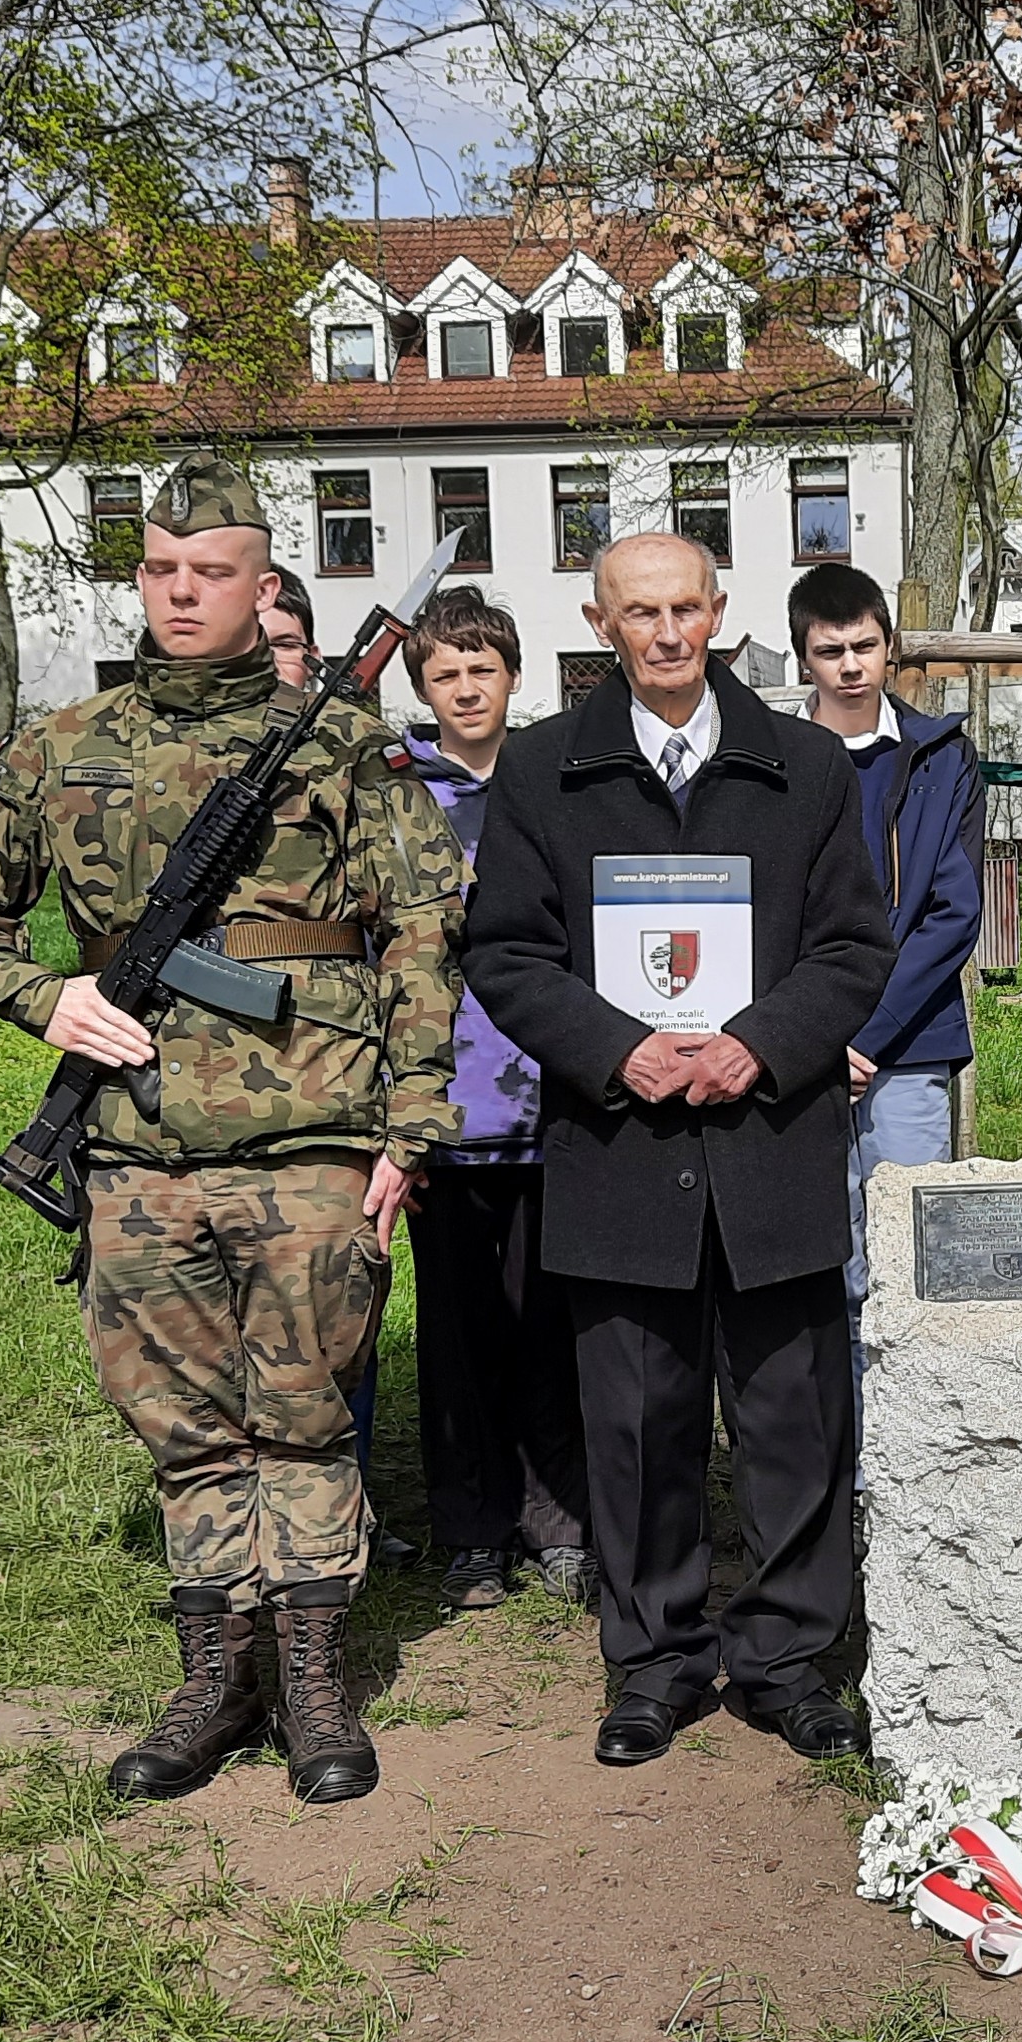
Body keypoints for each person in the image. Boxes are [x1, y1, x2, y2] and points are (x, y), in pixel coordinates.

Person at [0, 463, 464, 1807]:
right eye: (160, 569)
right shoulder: (64, 741)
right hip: (138, 1149)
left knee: (306, 1418)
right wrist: (48, 999)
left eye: (209, 572)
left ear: (262, 586)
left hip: (312, 1137)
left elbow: (428, 929)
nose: (180, 592)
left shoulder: (339, 739)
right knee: (188, 1428)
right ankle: (219, 1674)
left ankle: (317, 1683)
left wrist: (414, 1124)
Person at [459, 532, 895, 1767]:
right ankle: (651, 1659)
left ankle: (788, 1658)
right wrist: (613, 1048)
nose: (663, 633)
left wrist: (759, 1044)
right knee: (636, 1427)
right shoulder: (542, 771)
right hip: (621, 1147)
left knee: (794, 1424)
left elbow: (851, 949)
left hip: (768, 1144)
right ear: (601, 623)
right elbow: (503, 951)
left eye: (683, 609)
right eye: (637, 612)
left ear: (719, 614)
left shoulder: (804, 765)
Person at [382, 592, 588, 1611]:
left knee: (552, 1323)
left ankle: (558, 1520)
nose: (466, 690)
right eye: (444, 676)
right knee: (457, 1334)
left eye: (482, 671)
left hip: (552, 1102)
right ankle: (468, 1527)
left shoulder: (556, 784)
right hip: (443, 1111)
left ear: (513, 677)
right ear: (420, 690)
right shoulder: (393, 797)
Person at [786, 562, 985, 1310]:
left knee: (909, 1251)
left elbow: (953, 911)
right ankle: (838, 1428)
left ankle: (906, 1429)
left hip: (907, 1041)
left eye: (863, 647)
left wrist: (866, 1035)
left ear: (889, 646)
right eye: (830, 651)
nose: (849, 667)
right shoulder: (771, 762)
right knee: (819, 1263)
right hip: (799, 1050)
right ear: (804, 655)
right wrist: (815, 1035)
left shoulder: (941, 756)